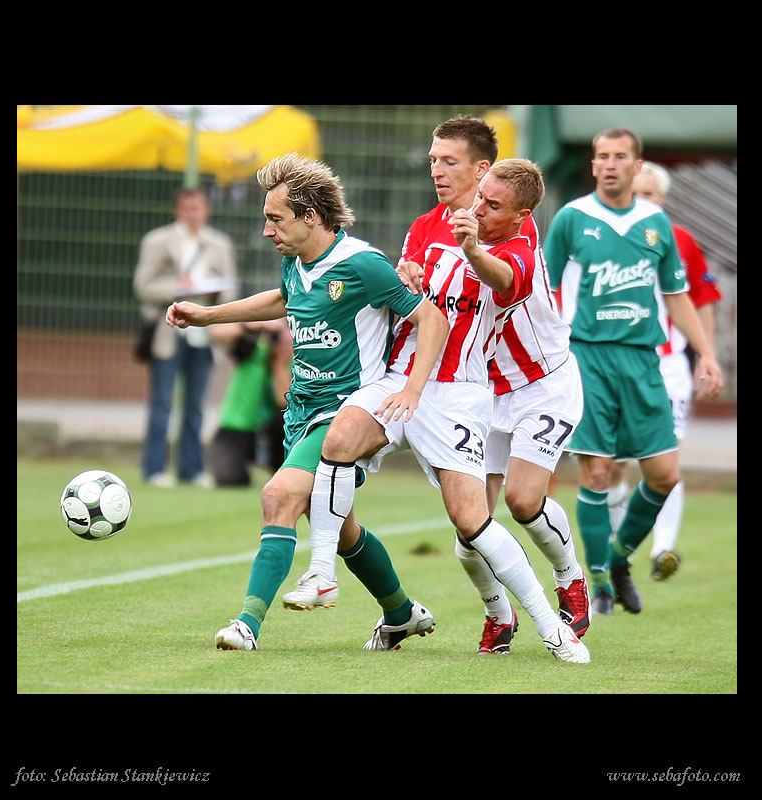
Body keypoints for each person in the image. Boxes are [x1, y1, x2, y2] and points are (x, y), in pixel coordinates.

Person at [286, 116, 590, 655]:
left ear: (482, 170)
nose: (436, 170)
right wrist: (404, 276)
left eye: (449, 161)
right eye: (432, 160)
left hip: (508, 384)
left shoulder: (510, 233)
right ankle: (322, 574)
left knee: (498, 511)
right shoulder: (427, 225)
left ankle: (558, 610)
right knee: (341, 441)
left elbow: (502, 278)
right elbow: (411, 293)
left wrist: (471, 248)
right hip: (418, 378)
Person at [166, 152, 450, 651]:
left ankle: (246, 624)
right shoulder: (295, 264)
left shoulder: (362, 263)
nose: (266, 230)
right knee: (340, 529)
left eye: (275, 219)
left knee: (278, 497)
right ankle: (401, 612)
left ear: (311, 217)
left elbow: (431, 318)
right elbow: (283, 299)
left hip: (345, 411)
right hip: (300, 411)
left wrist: (412, 389)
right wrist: (208, 316)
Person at [543, 129, 724, 616]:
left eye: (619, 156)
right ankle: (599, 582)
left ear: (637, 165)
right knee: (598, 472)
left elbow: (676, 296)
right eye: (602, 156)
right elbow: (544, 288)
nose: (609, 164)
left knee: (664, 475)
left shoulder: (655, 223)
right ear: (593, 165)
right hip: (589, 358)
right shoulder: (572, 218)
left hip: (644, 360)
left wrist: (706, 354)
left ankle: (620, 558)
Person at [606, 161, 724, 580]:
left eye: (650, 194)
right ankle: (619, 550)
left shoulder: (680, 240)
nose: (642, 201)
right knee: (612, 465)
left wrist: (706, 356)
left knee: (665, 459)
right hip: (617, 364)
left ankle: (664, 548)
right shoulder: (605, 237)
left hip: (669, 366)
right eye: (635, 192)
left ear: (663, 198)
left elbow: (702, 299)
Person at [133, 187, 238, 488]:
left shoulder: (219, 244)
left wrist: (214, 297)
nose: (193, 213)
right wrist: (180, 288)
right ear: (177, 210)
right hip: (169, 332)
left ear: (206, 210)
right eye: (187, 208)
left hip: (203, 334)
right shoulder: (157, 241)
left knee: (195, 405)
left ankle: (191, 469)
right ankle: (154, 468)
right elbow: (143, 285)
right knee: (162, 402)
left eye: (198, 208)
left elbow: (231, 288)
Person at [207, 319, 292, 486]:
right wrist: (257, 325)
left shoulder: (293, 361)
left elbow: (283, 401)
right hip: (239, 427)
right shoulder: (253, 349)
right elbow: (216, 333)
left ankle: (279, 467)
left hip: (274, 432)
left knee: (286, 478)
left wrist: (279, 364)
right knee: (230, 479)